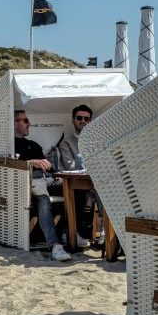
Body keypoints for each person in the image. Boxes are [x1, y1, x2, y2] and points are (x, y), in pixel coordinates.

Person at [14, 109, 71, 261]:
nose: (29, 124)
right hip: (30, 180)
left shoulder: (33, 145)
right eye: (25, 121)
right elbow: (10, 165)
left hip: (47, 179)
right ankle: (55, 245)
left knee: (72, 189)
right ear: (14, 123)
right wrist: (32, 163)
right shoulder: (9, 145)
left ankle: (73, 234)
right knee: (43, 198)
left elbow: (50, 168)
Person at [45, 104, 99, 247]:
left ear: (90, 121)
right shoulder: (67, 143)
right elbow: (71, 167)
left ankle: (106, 233)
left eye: (86, 119)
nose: (83, 121)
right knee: (80, 191)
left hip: (95, 180)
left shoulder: (96, 143)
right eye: (79, 118)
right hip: (74, 181)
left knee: (108, 190)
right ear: (73, 120)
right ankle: (70, 232)